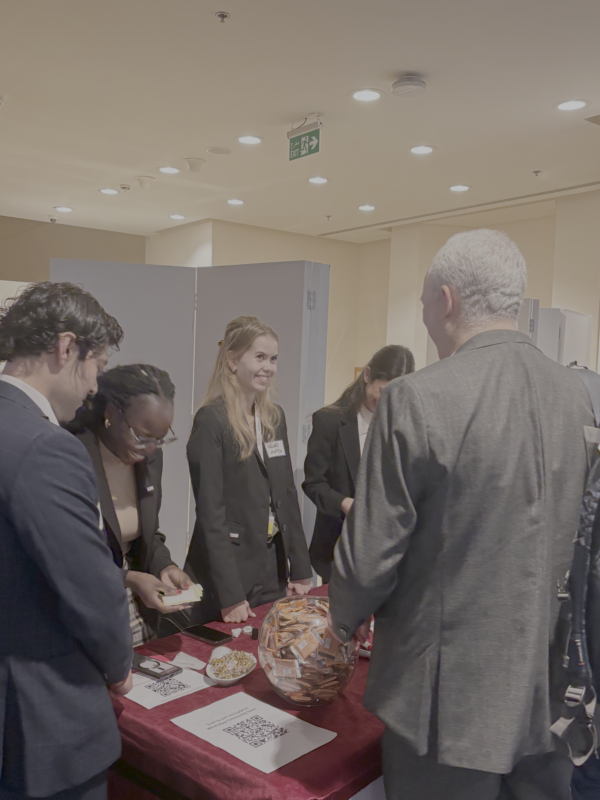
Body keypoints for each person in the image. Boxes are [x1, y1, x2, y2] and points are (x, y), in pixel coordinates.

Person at [328, 229, 594, 800]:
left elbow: (369, 556)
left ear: (445, 299)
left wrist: (340, 621)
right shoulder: (575, 393)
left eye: (424, 299)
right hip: (548, 684)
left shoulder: (415, 397)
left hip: (446, 700)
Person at [0, 282, 133, 800]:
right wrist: (119, 667)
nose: (95, 386)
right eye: (97, 365)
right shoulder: (45, 446)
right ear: (66, 347)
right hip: (39, 719)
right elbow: (90, 588)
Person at [184, 315, 313, 624]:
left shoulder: (274, 417)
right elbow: (211, 514)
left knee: (268, 643)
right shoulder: (211, 420)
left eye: (273, 359)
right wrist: (229, 595)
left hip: (271, 563)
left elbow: (286, 495)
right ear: (232, 361)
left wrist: (301, 567)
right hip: (228, 570)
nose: (268, 367)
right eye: (260, 357)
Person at [66, 364, 193, 644]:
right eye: (142, 436)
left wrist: (165, 566)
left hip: (137, 605)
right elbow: (67, 555)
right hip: (82, 609)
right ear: (111, 413)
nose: (150, 448)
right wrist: (128, 578)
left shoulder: (150, 457)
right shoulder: (73, 453)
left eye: (159, 439)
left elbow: (148, 534)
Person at [303, 345, 414, 582]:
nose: (386, 401)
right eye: (382, 391)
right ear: (367, 375)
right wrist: (345, 503)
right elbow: (314, 484)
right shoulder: (330, 421)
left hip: (389, 549)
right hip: (339, 547)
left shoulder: (404, 426)